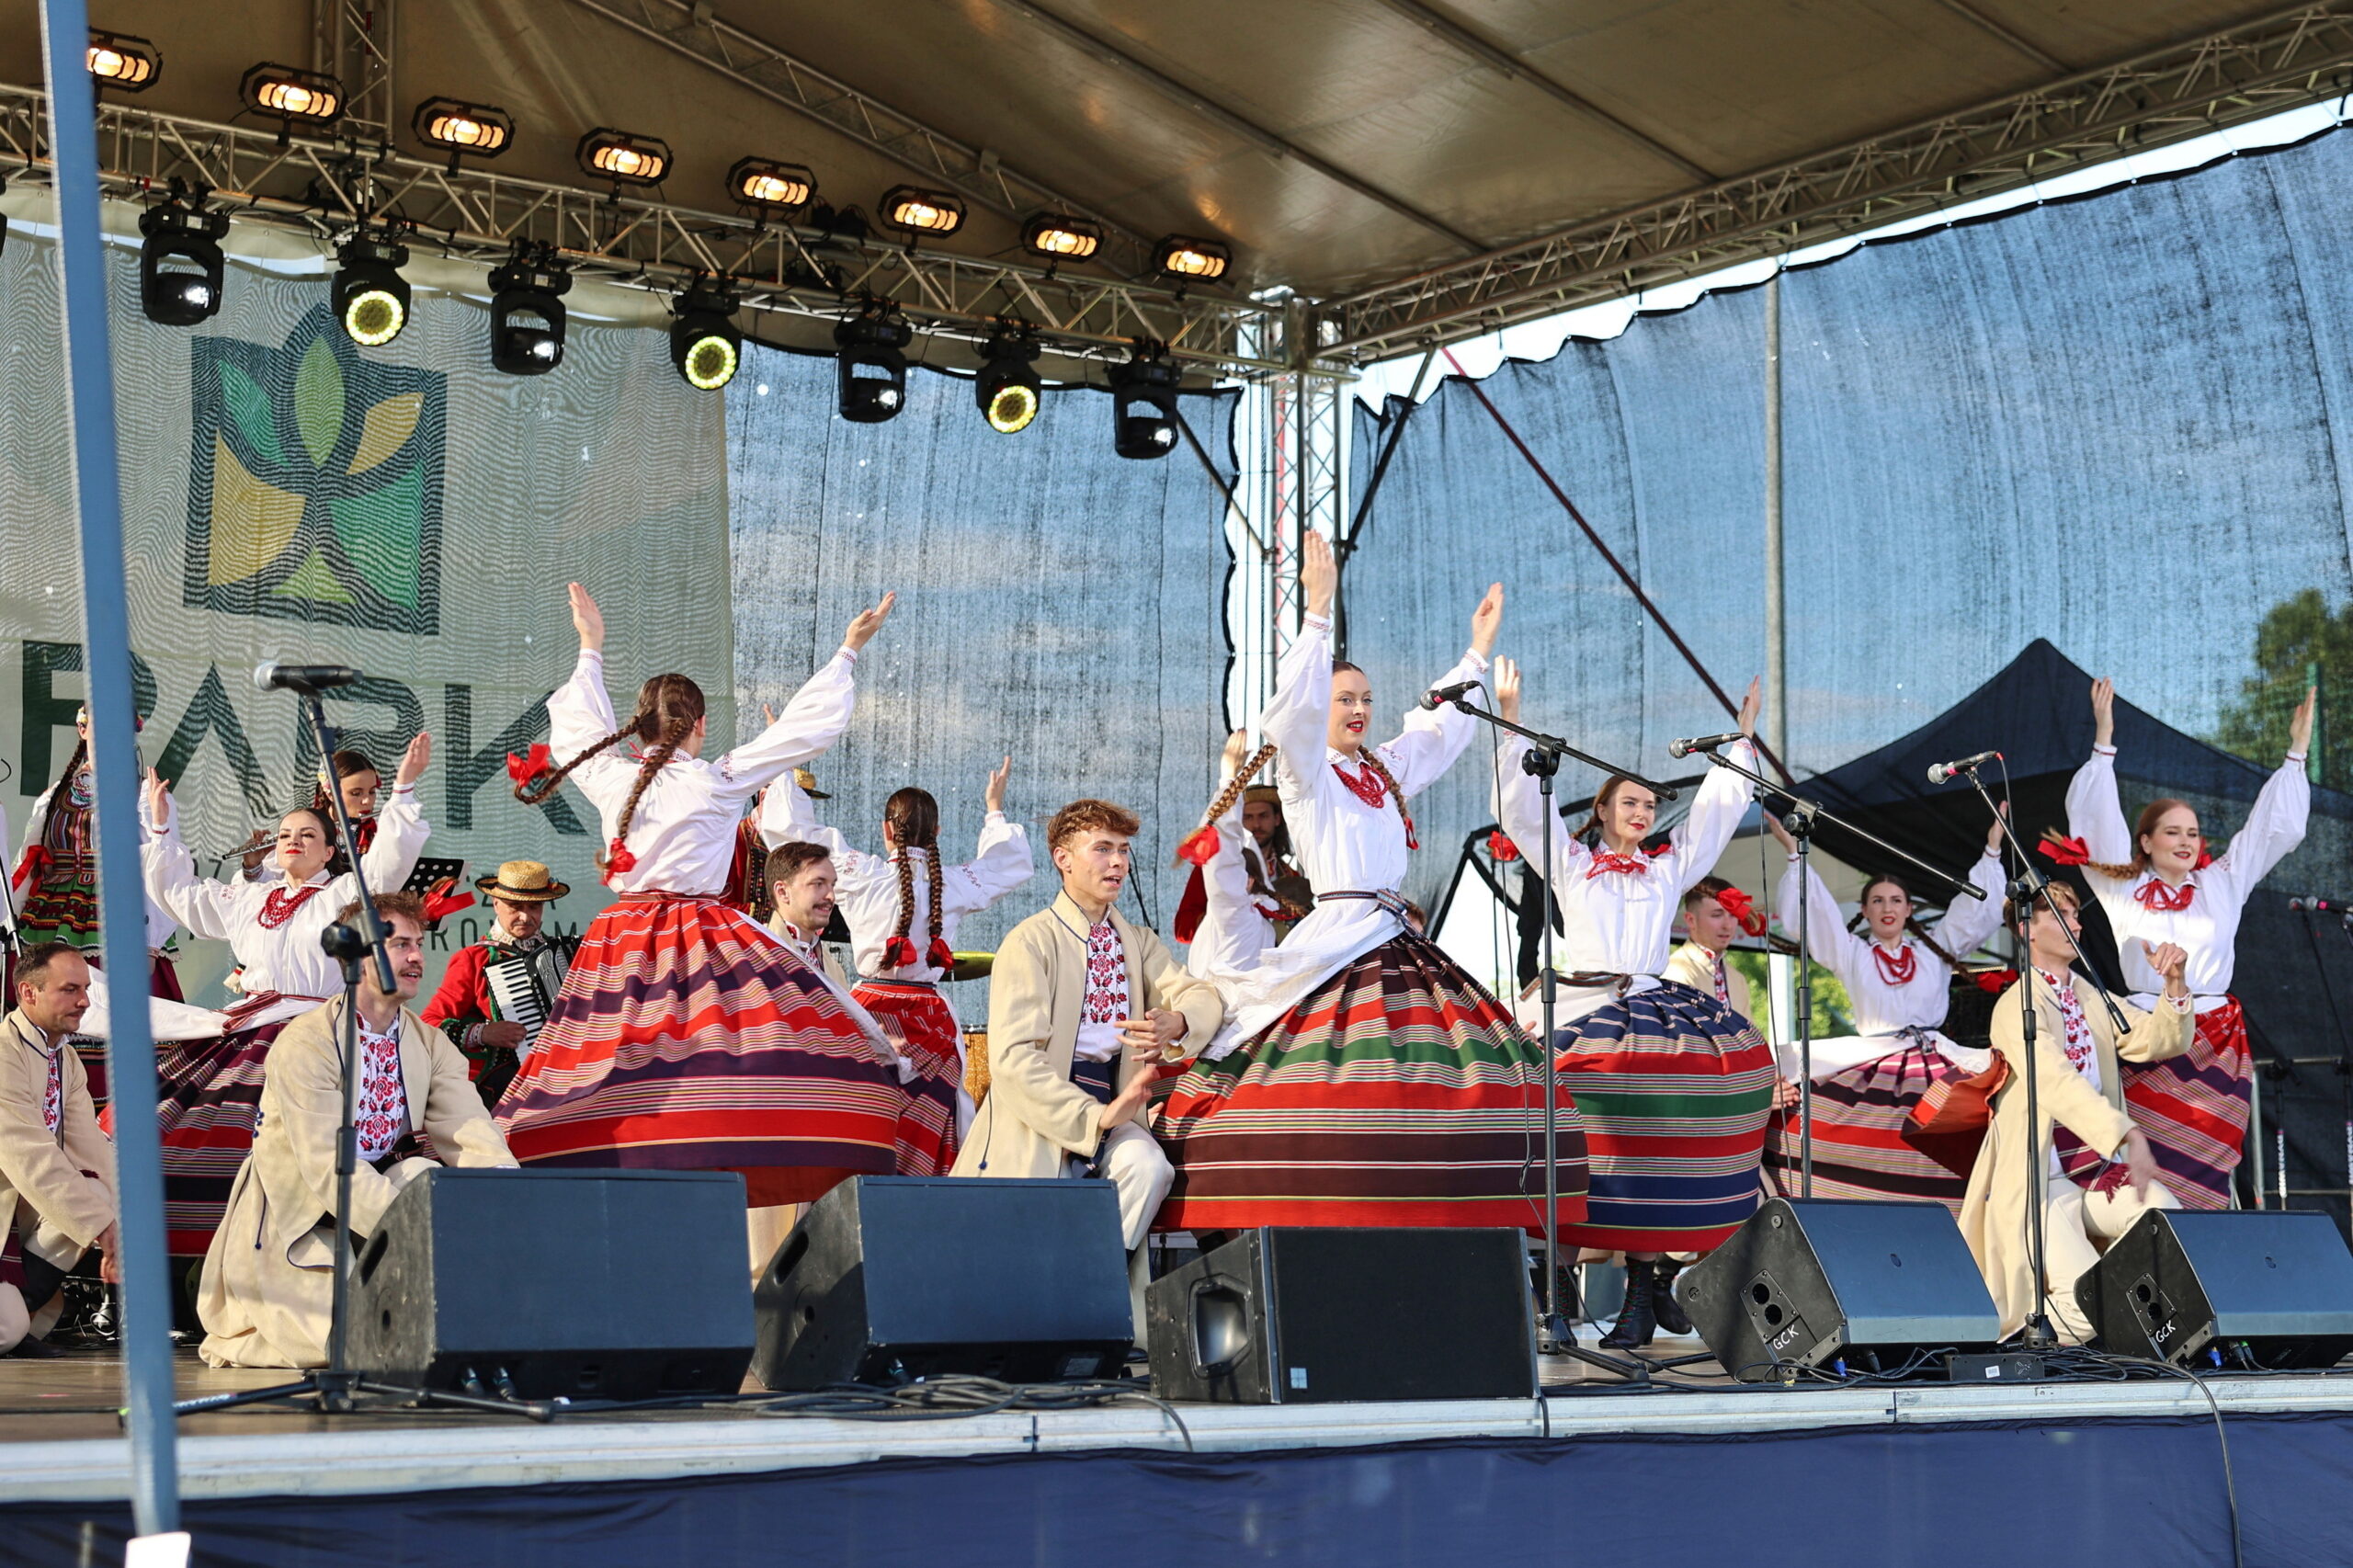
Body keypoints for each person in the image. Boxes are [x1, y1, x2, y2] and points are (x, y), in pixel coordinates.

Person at [1157, 534, 1582, 1234]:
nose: (1358, 709)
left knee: (1457, 1072)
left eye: (1366, 699)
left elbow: (1436, 733)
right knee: (1323, 1070)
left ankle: (1436, 1214)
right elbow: (1291, 718)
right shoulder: (1308, 774)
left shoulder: (1382, 770)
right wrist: (1316, 613)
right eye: (1344, 699)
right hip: (1336, 937)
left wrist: (1476, 653)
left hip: (1395, 937)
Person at [494, 583, 904, 1216]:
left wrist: (590, 646)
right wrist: (847, 651)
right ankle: (718, 1159)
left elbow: (576, 729)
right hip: (700, 938)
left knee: (604, 1059)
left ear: (639, 729)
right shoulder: (719, 780)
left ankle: (573, 1161)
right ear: (702, 725)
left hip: (625, 939)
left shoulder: (613, 775)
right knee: (735, 1054)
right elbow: (802, 733)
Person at [1493, 657, 1771, 1349]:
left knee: (1655, 1143)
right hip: (1578, 1006)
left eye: (1649, 806)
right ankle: (1554, 1293)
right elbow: (1523, 812)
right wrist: (1511, 722)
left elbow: (1711, 820)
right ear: (1603, 811)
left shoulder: (1667, 869)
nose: (1642, 814)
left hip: (1645, 1007)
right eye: (1629, 804)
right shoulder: (1572, 862)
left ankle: (1641, 1296)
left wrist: (1741, 742)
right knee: (1561, 1143)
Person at [139, 735, 432, 1261]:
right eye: (285, 835)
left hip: (317, 1032)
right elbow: (181, 896)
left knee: (308, 1140)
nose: (293, 841)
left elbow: (386, 867)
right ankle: (204, 1247)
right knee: (180, 1126)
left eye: (307, 835)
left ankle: (315, 1240)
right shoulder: (250, 897)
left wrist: (404, 787)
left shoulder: (342, 895)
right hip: (251, 1030)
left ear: (330, 851)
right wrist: (162, 828)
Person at [197, 892, 517, 1369]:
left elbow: (469, 1128)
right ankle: (256, 1323)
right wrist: (417, 1232)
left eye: (418, 943)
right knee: (353, 1342)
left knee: (424, 1175)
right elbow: (329, 1165)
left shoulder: (429, 1042)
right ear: (357, 956)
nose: (416, 957)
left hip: (378, 1200)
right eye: (400, 944)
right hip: (298, 1212)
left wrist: (510, 1204)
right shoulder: (307, 1041)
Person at [951, 798, 1222, 1324]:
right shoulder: (1030, 941)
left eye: (1123, 850)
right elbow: (1012, 1060)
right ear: (1063, 858)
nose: (1117, 862)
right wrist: (1094, 1117)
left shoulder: (1138, 942)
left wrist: (1179, 1020)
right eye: (1102, 849)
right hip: (1039, 1114)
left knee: (1149, 1168)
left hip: (1115, 1105)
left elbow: (1200, 993)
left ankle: (1083, 1300)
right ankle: (1042, 1319)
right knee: (1026, 1236)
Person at [2061, 676, 2313, 1209]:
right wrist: (2104, 739)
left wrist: (2296, 755)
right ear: (2146, 841)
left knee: (2207, 1166)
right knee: (2147, 1168)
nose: (2186, 841)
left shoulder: (2222, 882)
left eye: (2193, 833)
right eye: (2172, 832)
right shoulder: (2123, 885)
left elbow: (2270, 832)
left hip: (2214, 1040)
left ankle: (2206, 1245)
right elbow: (2095, 823)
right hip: (2147, 1039)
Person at [760, 756, 1033, 1176]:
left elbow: (793, 837)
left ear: (887, 830)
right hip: (932, 1022)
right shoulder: (955, 884)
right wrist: (994, 809)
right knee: (936, 1128)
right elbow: (1007, 866)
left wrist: (786, 765)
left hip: (870, 1014)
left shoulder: (859, 873)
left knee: (868, 1118)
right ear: (937, 832)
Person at [1959, 882, 2193, 1343]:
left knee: (2167, 1221)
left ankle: (2125, 1337)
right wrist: (2126, 1133)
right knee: (2089, 1306)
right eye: (2061, 914)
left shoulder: (2089, 996)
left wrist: (2174, 985)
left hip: (2095, 1171)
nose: (2077, 924)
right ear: (2026, 929)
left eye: (2076, 915)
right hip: (2041, 1182)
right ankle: (2014, 1349)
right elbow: (2055, 1081)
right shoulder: (2016, 1007)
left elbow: (2158, 1039)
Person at [1760, 812, 2008, 1210]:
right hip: (1874, 1058)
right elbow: (1818, 918)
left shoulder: (1934, 951)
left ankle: (1965, 1213)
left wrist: (1992, 850)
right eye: (1877, 901)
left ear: (1909, 909)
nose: (1887, 908)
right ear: (1865, 909)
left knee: (1977, 1117)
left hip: (1935, 1058)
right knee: (1826, 1121)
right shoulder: (1852, 953)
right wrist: (1793, 852)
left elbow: (1973, 916)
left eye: (1895, 901)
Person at [13, 705, 182, 1026]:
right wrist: (11, 920)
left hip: (117, 914)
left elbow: (162, 865)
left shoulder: (145, 794)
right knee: (47, 1003)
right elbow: (29, 862)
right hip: (50, 914)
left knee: (113, 1013)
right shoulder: (55, 795)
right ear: (83, 730)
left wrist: (149, 944)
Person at [0, 944, 118, 1358]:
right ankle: (15, 1321)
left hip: (18, 1215)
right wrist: (104, 1228)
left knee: (100, 1194)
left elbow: (91, 1150)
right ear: (28, 993)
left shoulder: (65, 1057)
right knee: (6, 1331)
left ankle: (21, 1312)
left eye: (85, 989)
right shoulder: (3, 1053)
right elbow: (32, 1156)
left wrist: (123, 1227)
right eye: (70, 989)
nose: (84, 1001)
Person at [419, 860, 572, 1105]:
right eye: (515, 906)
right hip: (497, 1090)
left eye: (534, 907)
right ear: (496, 903)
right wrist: (483, 1033)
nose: (525, 916)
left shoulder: (563, 955)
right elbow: (429, 1025)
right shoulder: (473, 959)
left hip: (559, 1079)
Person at [1663, 877, 1764, 1024]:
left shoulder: (1737, 978)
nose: (1728, 925)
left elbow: (1749, 1033)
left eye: (1733, 915)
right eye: (1717, 915)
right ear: (1691, 920)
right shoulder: (1676, 971)